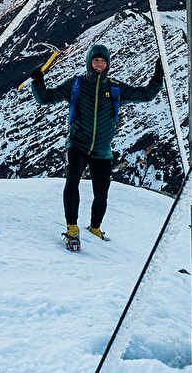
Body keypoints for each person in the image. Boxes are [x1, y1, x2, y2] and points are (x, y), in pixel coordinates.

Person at [29, 43, 163, 250]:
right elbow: (46, 99)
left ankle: (95, 228)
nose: (99, 64)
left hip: (102, 149)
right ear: (89, 63)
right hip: (77, 144)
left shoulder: (115, 88)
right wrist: (38, 82)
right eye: (96, 61)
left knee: (101, 193)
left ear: (107, 63)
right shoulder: (77, 84)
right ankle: (72, 227)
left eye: (103, 61)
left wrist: (157, 77)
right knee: (72, 180)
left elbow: (146, 95)